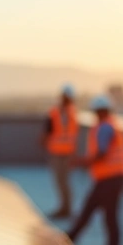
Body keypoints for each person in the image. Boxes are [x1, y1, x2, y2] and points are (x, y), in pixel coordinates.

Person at [65, 94, 123, 245]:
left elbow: (101, 153)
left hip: (110, 179)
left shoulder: (104, 128)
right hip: (110, 178)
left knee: (104, 215)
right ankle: (71, 239)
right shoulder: (111, 125)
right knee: (99, 213)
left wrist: (82, 162)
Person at [42, 83, 79, 218]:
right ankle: (64, 208)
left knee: (64, 181)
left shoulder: (72, 113)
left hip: (67, 153)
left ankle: (66, 208)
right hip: (57, 152)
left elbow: (73, 134)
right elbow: (48, 130)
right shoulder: (55, 112)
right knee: (60, 181)